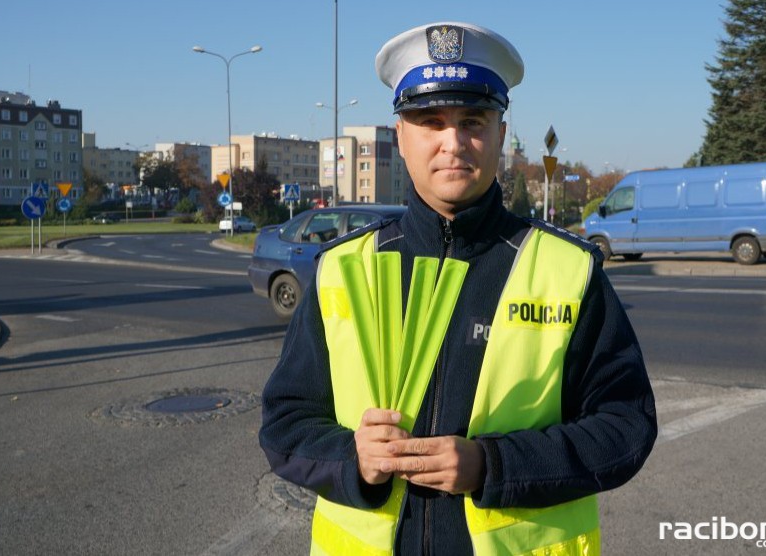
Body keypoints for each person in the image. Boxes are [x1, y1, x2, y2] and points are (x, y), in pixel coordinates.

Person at [260, 21, 657, 555]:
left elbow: (625, 426)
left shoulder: (568, 269)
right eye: (431, 121)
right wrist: (352, 458)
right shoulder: (343, 268)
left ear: (500, 134)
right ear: (401, 137)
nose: (454, 142)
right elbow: (285, 423)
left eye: (472, 121)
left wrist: (492, 465)